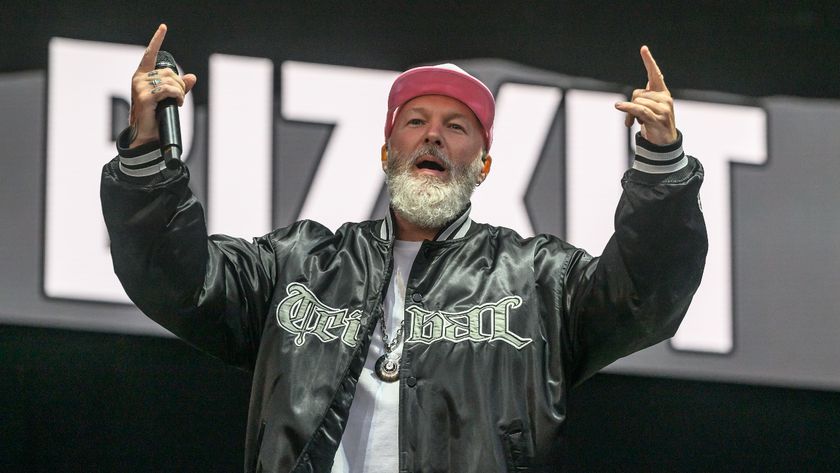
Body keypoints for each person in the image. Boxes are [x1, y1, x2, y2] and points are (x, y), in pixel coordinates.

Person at [101, 24, 707, 473]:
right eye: (415, 121)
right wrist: (148, 154)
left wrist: (661, 165)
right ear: (386, 153)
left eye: (457, 125)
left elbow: (643, 294)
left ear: (484, 166)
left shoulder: (537, 280)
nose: (434, 136)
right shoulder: (299, 266)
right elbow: (178, 280)